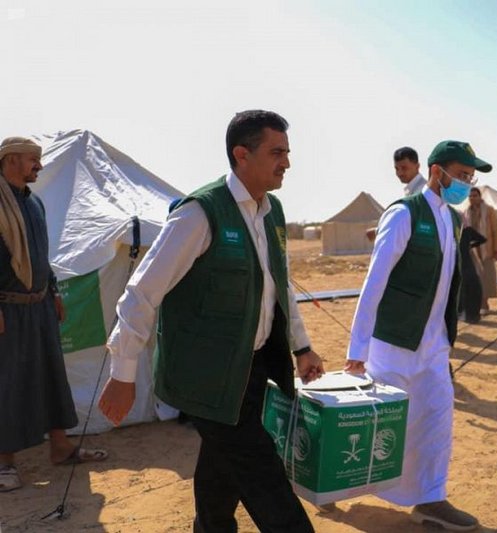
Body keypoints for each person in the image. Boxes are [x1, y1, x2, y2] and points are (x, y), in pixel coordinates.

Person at [98, 110, 324, 532]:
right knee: (262, 472)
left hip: (251, 369)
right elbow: (142, 292)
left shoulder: (272, 212)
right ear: (242, 154)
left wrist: (302, 346)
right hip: (206, 377)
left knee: (223, 464)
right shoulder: (200, 213)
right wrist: (123, 373)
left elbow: (279, 285)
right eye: (277, 152)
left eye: (287, 152)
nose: (287, 163)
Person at [345, 140, 492, 531]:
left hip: (433, 345)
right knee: (378, 426)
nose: (466, 183)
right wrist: (358, 348)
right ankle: (330, 485)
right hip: (393, 343)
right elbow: (374, 281)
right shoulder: (403, 213)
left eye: (470, 177)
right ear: (437, 172)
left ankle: (430, 499)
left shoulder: (453, 220)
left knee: (436, 421)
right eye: (461, 175)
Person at [0, 137, 108, 493]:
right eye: (33, 159)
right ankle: (4, 463)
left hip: (40, 303)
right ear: (10, 160)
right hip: (8, 308)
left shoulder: (34, 203)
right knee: (8, 383)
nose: (40, 166)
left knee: (51, 374)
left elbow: (42, 254)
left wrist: (54, 291)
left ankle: (60, 447)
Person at [366, 146, 426, 242]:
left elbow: (411, 223)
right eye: (397, 168)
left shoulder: (422, 191)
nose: (399, 173)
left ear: (417, 166)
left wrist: (378, 231)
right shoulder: (413, 190)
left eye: (404, 168)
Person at [462, 187, 497, 313]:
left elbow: (496, 231)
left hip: (487, 249)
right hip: (472, 250)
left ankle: (484, 303)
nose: (472, 198)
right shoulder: (466, 212)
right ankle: (478, 303)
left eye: (475, 195)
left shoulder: (489, 210)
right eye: (470, 196)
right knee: (474, 277)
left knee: (486, 277)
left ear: (480, 197)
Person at [458, 225, 486, 324]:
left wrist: (470, 245)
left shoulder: (454, 229)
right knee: (472, 287)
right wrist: (471, 245)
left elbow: (482, 239)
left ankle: (467, 314)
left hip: (458, 262)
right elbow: (482, 239)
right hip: (466, 263)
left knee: (465, 289)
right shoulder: (467, 230)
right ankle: (472, 315)